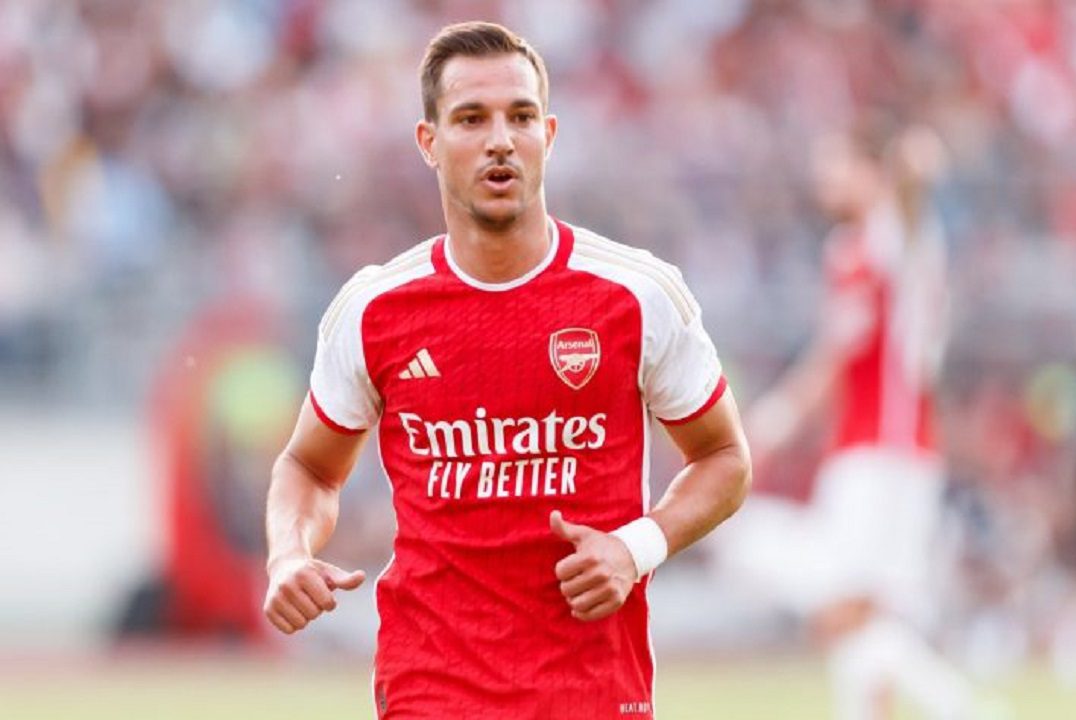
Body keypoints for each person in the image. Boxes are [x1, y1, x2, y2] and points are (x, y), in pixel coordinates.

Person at [262, 21, 751, 720]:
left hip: (592, 688)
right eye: (471, 119)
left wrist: (635, 547)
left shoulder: (636, 295)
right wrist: (288, 555)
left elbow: (725, 457)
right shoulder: (374, 309)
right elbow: (310, 468)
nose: (500, 139)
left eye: (520, 117)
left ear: (548, 135)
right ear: (429, 143)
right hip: (431, 688)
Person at [729, 124, 974, 720]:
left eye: (836, 165)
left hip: (881, 454)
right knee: (867, 616)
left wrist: (774, 421)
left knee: (840, 606)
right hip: (892, 450)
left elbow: (837, 356)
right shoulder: (868, 246)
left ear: (871, 171)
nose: (824, 180)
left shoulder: (884, 241)